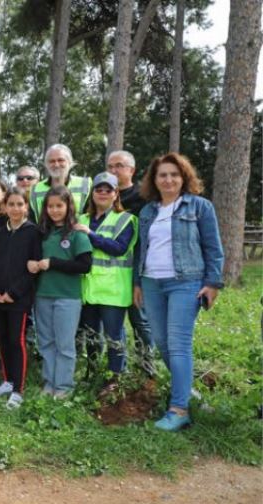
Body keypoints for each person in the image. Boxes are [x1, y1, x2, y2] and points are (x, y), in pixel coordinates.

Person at [133, 153, 224, 431]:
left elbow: (213, 247)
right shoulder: (148, 211)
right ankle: (187, 392)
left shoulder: (199, 207)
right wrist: (137, 282)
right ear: (154, 180)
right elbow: (141, 249)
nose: (169, 179)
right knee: (160, 341)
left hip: (186, 282)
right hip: (151, 283)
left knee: (179, 343)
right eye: (163, 175)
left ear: (184, 177)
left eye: (174, 174)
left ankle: (179, 409)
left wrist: (213, 282)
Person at [73, 173, 137, 391]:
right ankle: (92, 371)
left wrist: (90, 234)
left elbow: (118, 249)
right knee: (91, 336)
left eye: (108, 190)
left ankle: (115, 378)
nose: (102, 193)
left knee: (114, 336)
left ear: (116, 194)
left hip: (113, 290)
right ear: (92, 193)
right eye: (98, 189)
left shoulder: (126, 219)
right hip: (88, 289)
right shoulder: (80, 219)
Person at [28, 186, 92, 398]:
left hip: (67, 297)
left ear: (68, 206)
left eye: (59, 206)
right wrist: (33, 265)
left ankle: (64, 387)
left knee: (64, 344)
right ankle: (49, 383)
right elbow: (33, 258)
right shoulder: (41, 234)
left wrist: (53, 263)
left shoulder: (76, 233)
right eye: (50, 206)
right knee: (46, 342)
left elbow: (84, 265)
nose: (55, 210)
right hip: (42, 295)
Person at [0, 187, 42, 408]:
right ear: (5, 207)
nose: (16, 208)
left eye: (20, 204)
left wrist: (13, 293)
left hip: (19, 300)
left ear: (26, 207)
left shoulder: (33, 233)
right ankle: (7, 381)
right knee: (4, 340)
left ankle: (18, 389)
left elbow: (33, 270)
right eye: (11, 204)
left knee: (17, 341)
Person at [107, 150, 155, 373]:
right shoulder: (103, 196)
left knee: (140, 320)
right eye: (110, 166)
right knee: (113, 325)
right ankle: (118, 369)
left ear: (132, 170)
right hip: (110, 272)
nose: (114, 170)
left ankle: (147, 367)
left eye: (119, 166)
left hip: (137, 267)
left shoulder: (143, 197)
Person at [29, 144, 92, 222]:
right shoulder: (35, 189)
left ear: (70, 162)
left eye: (61, 160)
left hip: (77, 232)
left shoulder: (85, 184)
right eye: (52, 161)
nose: (56, 164)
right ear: (46, 164)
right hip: (45, 233)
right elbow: (32, 219)